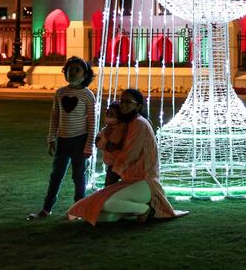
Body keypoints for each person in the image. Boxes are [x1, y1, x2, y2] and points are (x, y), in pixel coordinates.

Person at [67, 88, 187, 224]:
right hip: (129, 181)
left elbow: (130, 154)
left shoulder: (139, 123)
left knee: (108, 203)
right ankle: (127, 212)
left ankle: (145, 209)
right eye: (122, 101)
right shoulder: (127, 124)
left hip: (144, 182)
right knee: (96, 207)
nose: (123, 105)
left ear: (138, 106)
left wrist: (114, 168)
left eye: (128, 102)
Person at [28, 57, 96, 220]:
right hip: (63, 141)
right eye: (69, 70)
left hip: (80, 141)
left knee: (78, 176)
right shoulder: (60, 93)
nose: (72, 73)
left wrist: (89, 146)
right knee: (56, 175)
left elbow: (92, 122)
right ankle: (46, 208)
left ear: (85, 74)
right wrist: (51, 138)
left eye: (77, 70)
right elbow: (55, 116)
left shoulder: (87, 95)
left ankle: (78, 209)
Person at [96, 101, 127, 186]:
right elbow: (98, 144)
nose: (108, 115)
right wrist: (106, 138)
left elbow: (110, 147)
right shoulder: (105, 130)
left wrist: (106, 142)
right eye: (107, 112)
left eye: (112, 114)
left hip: (123, 164)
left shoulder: (123, 129)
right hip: (111, 165)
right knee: (109, 187)